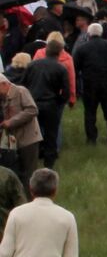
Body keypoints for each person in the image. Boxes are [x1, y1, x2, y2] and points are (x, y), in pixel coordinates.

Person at [73, 23, 107, 145]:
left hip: (89, 84)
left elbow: (75, 67)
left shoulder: (82, 48)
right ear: (101, 33)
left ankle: (91, 138)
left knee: (90, 111)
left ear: (89, 34)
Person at [23, 38, 69, 169]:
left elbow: (23, 84)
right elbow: (66, 91)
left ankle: (31, 162)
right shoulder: (60, 68)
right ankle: (49, 166)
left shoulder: (32, 65)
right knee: (51, 136)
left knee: (32, 135)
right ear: (59, 53)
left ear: (46, 51)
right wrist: (58, 101)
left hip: (33, 103)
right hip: (50, 104)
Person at [0, 73, 41, 192]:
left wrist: (11, 122)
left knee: (29, 172)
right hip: (13, 140)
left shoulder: (21, 91)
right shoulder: (3, 98)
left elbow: (32, 110)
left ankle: (31, 198)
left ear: (4, 84)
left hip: (29, 138)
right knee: (18, 171)